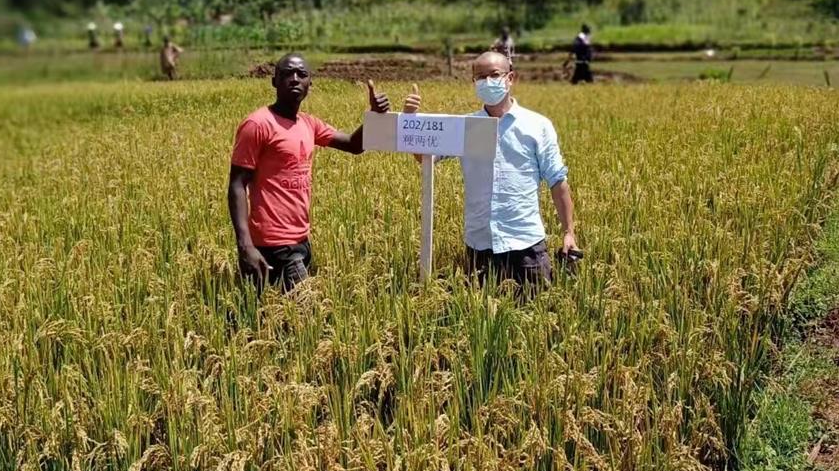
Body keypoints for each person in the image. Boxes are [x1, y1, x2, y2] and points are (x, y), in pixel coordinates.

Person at [400, 51, 577, 289]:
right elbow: (425, 157)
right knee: (481, 317)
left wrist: (569, 231)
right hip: (480, 244)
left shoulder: (537, 125)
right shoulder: (466, 127)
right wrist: (411, 120)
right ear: (474, 83)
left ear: (511, 78)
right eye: (480, 77)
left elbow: (557, 181)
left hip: (526, 244)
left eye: (494, 75)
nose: (487, 82)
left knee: (538, 314)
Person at [228, 54, 390, 292]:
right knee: (307, 316)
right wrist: (245, 246)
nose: (294, 79)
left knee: (282, 322)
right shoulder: (258, 124)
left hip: (301, 240)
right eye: (287, 74)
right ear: (274, 81)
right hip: (272, 244)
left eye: (302, 75)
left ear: (310, 85)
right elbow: (237, 184)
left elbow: (354, 145)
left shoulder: (308, 124)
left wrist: (375, 116)